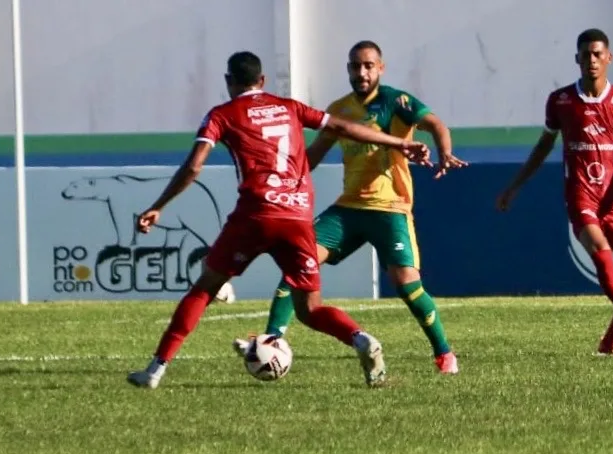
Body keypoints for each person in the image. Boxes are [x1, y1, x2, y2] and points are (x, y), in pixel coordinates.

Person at [126, 51, 432, 389]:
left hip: (256, 214)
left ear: (229, 82)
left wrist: (160, 205)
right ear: (262, 81)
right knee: (310, 309)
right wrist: (399, 143)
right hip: (298, 216)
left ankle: (155, 370)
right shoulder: (291, 107)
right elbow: (346, 128)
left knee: (205, 288)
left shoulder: (222, 114)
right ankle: (360, 339)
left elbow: (194, 165)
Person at [232, 40, 466, 374]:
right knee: (299, 264)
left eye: (368, 66)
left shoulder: (396, 102)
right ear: (348, 69)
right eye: (355, 66)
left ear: (380, 68)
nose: (362, 72)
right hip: (349, 209)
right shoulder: (339, 109)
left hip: (389, 208)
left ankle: (444, 354)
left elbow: (436, 124)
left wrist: (444, 150)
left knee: (407, 283)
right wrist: (283, 179)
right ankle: (270, 340)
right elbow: (312, 155)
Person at [497, 28, 613, 355]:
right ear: (576, 58)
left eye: (597, 54)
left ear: (608, 58)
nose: (591, 60)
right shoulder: (561, 101)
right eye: (585, 54)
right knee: (600, 251)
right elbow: (543, 147)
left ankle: (610, 340)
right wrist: (514, 186)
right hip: (581, 195)